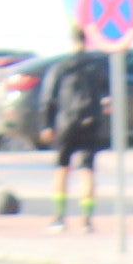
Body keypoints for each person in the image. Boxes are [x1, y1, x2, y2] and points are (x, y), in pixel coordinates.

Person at [48, 43, 112, 232]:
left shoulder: (61, 66)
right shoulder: (97, 66)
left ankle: (59, 217)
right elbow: (107, 97)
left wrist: (47, 124)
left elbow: (49, 97)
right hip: (89, 123)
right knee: (87, 170)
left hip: (65, 123)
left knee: (62, 169)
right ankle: (86, 220)